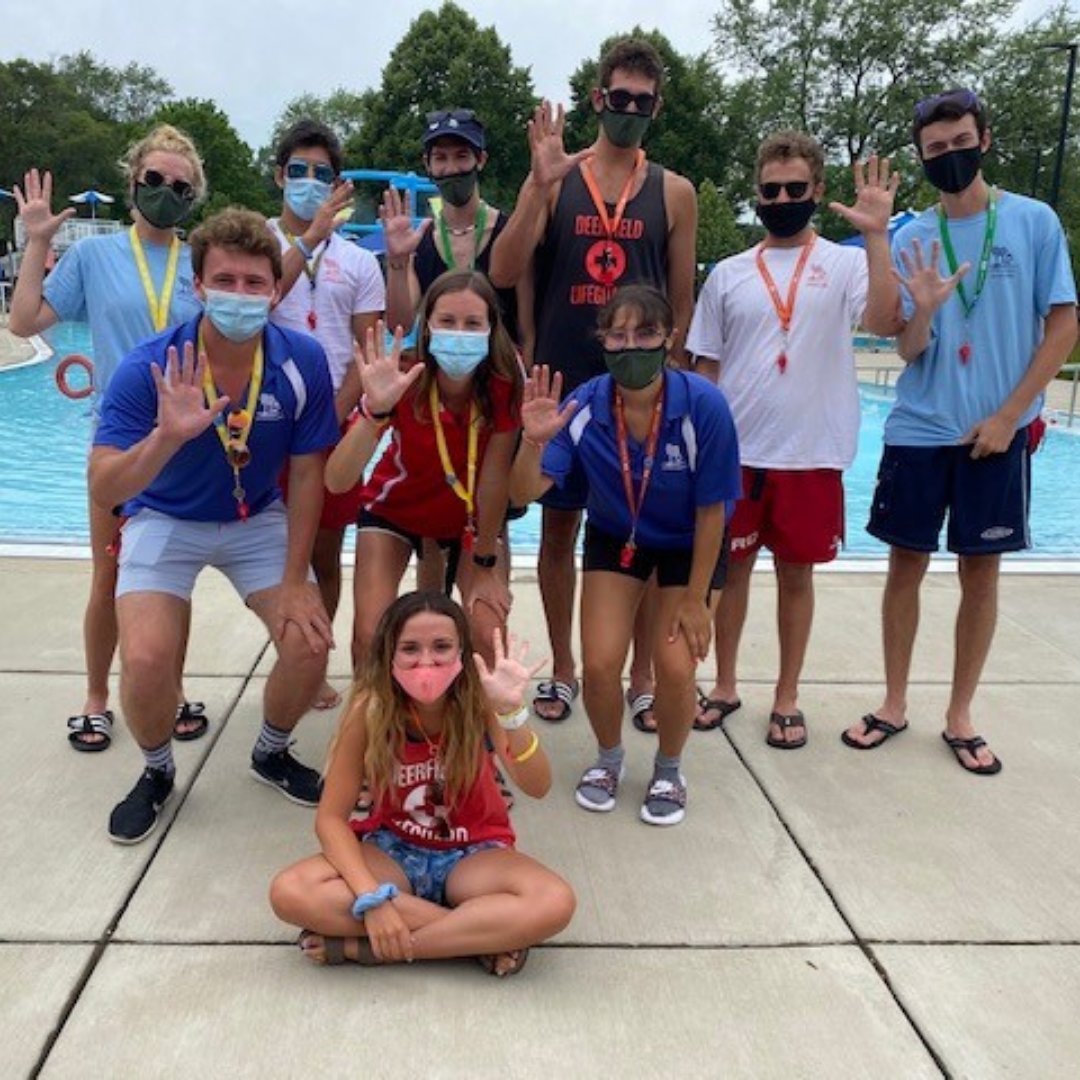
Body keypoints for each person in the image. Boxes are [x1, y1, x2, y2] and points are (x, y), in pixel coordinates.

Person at [843, 88, 1077, 774]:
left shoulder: (1034, 223)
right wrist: (921, 307)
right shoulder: (913, 237)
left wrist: (1011, 416)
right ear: (922, 156)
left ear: (985, 140)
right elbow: (905, 344)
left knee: (982, 573)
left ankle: (960, 713)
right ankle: (893, 702)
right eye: (936, 149)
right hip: (920, 428)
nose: (950, 156)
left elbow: (1063, 325)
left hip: (996, 433)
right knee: (903, 567)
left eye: (960, 143)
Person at [89, 207, 341, 843]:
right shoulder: (150, 367)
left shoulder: (302, 360)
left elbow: (309, 475)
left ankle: (271, 751)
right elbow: (105, 486)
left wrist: (292, 579)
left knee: (310, 641)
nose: (240, 295)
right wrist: (165, 439)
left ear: (275, 289)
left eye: (255, 283)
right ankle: (156, 770)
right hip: (166, 516)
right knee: (146, 658)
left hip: (257, 519)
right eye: (225, 281)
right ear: (197, 288)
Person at [490, 38, 698, 728]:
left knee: (639, 530)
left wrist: (674, 377)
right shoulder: (560, 175)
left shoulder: (674, 192)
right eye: (619, 98)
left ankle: (640, 677)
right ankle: (566, 668)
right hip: (564, 378)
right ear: (597, 100)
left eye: (643, 102)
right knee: (558, 530)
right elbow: (504, 268)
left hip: (639, 384)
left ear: (656, 108)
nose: (629, 111)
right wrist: (536, 185)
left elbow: (681, 296)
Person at [686, 132, 900, 748]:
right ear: (757, 193)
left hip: (810, 452)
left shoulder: (847, 263)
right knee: (730, 575)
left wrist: (878, 236)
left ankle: (787, 696)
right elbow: (706, 369)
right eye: (771, 189)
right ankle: (724, 685)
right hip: (738, 455)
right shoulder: (728, 274)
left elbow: (886, 323)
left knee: (797, 577)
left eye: (795, 189)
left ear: (818, 191)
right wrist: (702, 448)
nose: (782, 198)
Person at [10, 126, 209, 751]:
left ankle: (170, 687)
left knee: (172, 578)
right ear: (133, 184)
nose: (165, 192)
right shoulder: (95, 258)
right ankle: (97, 696)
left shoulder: (199, 260)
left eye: (180, 186)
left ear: (194, 196)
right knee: (108, 576)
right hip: (120, 444)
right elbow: (23, 322)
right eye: (154, 180)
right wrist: (38, 243)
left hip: (186, 445)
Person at [510, 285, 739, 826]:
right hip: (620, 537)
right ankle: (609, 757)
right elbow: (523, 493)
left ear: (669, 340)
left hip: (690, 544)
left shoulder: (704, 405)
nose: (630, 345)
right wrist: (534, 441)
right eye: (617, 334)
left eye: (645, 333)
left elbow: (714, 512)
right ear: (601, 340)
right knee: (602, 663)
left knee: (676, 667)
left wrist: (696, 600)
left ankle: (669, 767)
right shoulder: (586, 403)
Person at [269, 591, 575, 975]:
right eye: (410, 648)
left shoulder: (482, 701)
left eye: (442, 647)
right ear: (389, 655)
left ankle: (371, 950)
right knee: (291, 891)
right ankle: (477, 934)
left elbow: (538, 785)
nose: (426, 660)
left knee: (553, 901)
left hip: (474, 852)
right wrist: (372, 899)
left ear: (461, 652)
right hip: (394, 850)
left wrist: (512, 713)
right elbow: (330, 819)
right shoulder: (371, 709)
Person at [325, 270, 522, 672]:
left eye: (472, 324)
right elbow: (337, 479)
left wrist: (485, 565)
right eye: (447, 321)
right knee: (372, 635)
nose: (459, 333)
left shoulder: (505, 384)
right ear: (426, 327)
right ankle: (373, 728)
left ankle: (476, 728)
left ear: (491, 329)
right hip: (395, 511)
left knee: (488, 634)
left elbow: (495, 476)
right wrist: (375, 409)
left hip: (469, 521)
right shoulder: (403, 375)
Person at [380, 107, 534, 597]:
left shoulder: (508, 229)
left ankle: (487, 622)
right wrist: (399, 260)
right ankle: (434, 644)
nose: (451, 168)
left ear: (481, 159)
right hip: (442, 388)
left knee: (494, 521)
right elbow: (403, 324)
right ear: (429, 166)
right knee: (433, 534)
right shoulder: (418, 236)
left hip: (497, 393)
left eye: (460, 155)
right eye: (440, 158)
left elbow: (524, 323)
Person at [268, 119, 385, 710]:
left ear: (337, 184)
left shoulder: (360, 262)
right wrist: (309, 238)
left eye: (321, 174)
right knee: (269, 550)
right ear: (278, 175)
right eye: (298, 171)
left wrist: (330, 420)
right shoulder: (258, 244)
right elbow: (261, 299)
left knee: (324, 552)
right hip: (262, 427)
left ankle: (312, 660)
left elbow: (367, 351)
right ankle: (291, 654)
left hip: (333, 428)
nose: (309, 182)